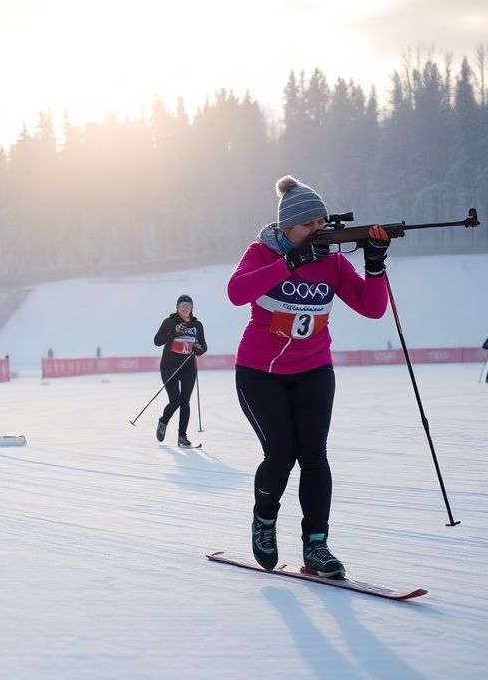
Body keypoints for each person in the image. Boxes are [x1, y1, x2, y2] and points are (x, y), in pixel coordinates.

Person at [226, 175, 390, 579]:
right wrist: (289, 263)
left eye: (322, 223)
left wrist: (374, 265)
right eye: (308, 225)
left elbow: (373, 309)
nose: (318, 231)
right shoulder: (262, 253)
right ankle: (264, 522)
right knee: (280, 453)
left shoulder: (333, 260)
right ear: (287, 228)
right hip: (259, 373)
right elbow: (236, 292)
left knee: (314, 456)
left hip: (314, 369)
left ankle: (317, 545)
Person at [152, 295, 206, 447]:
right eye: (183, 305)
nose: (185, 308)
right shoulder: (169, 322)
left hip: (188, 367)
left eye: (188, 306)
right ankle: (163, 421)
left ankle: (182, 436)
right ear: (177, 307)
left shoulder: (197, 325)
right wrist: (173, 334)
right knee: (175, 400)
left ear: (191, 309)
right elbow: (157, 341)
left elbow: (203, 345)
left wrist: (199, 348)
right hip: (169, 366)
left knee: (185, 402)